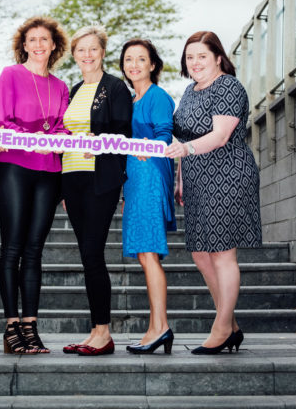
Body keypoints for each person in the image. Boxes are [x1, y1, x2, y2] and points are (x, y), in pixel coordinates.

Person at [164, 31, 262, 355]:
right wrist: (180, 177)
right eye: (190, 58)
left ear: (218, 57)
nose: (195, 63)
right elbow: (183, 139)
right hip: (195, 176)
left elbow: (220, 136)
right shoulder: (189, 92)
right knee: (200, 252)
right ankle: (229, 323)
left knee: (222, 252)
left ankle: (221, 327)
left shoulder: (228, 87)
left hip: (228, 172)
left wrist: (186, 150)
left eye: (202, 56)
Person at [0, 16, 70, 354]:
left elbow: (66, 129)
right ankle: (12, 328)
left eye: (45, 40)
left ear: (54, 45)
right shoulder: (10, 76)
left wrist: (50, 139)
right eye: (32, 40)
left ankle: (30, 327)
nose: (39, 45)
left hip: (49, 170)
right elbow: (2, 120)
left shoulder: (61, 85)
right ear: (23, 45)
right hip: (14, 166)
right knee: (12, 247)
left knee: (34, 251)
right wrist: (32, 138)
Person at [60, 26, 132, 356]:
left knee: (92, 252)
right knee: (87, 256)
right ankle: (95, 331)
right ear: (73, 55)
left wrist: (99, 144)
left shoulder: (115, 88)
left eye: (93, 49)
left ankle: (104, 332)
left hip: (99, 179)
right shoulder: (73, 89)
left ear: (102, 52)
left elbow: (122, 132)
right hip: (72, 177)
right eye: (81, 50)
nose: (87, 55)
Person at [119, 39, 176, 355]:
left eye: (141, 59)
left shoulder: (157, 96)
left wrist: (147, 149)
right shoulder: (131, 99)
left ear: (153, 64)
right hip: (135, 180)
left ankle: (161, 327)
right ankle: (156, 327)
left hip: (151, 175)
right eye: (129, 59)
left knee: (149, 253)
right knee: (145, 254)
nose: (134, 65)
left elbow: (165, 134)